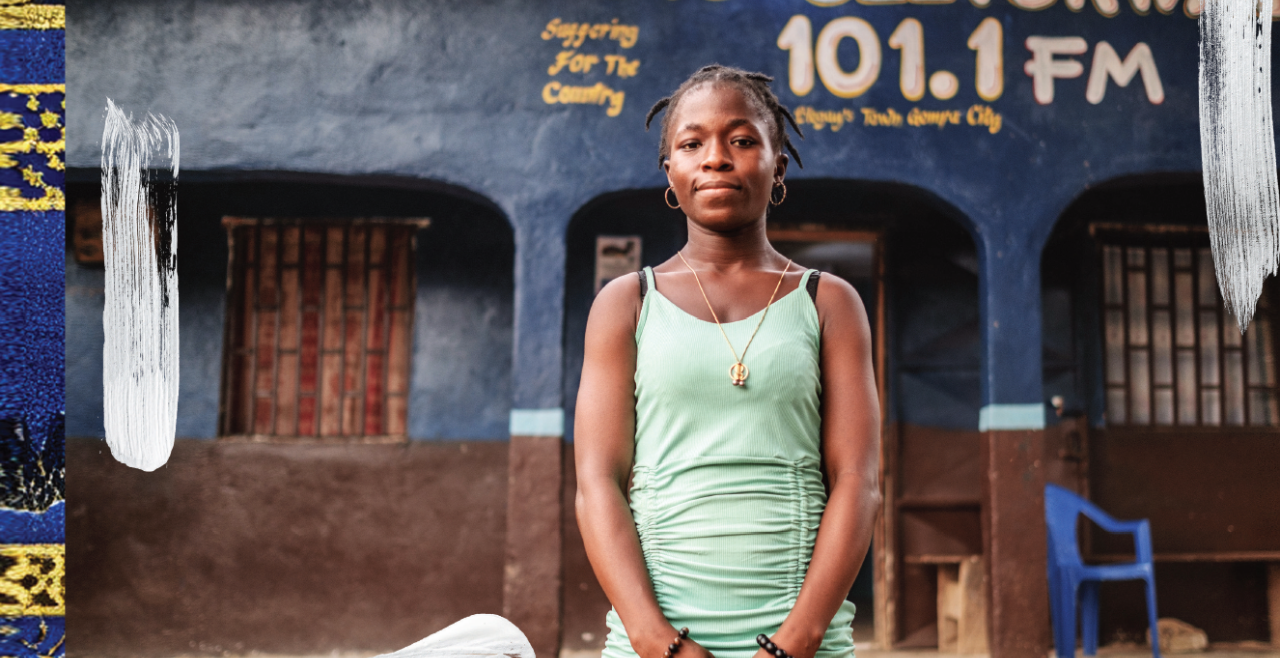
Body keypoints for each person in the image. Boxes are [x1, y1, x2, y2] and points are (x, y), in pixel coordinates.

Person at [574, 65, 881, 658]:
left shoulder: (829, 301)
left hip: (802, 640)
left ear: (777, 166)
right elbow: (597, 482)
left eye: (742, 140)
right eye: (692, 144)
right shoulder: (626, 303)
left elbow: (857, 480)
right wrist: (654, 639)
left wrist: (799, 638)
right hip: (657, 641)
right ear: (672, 172)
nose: (716, 158)